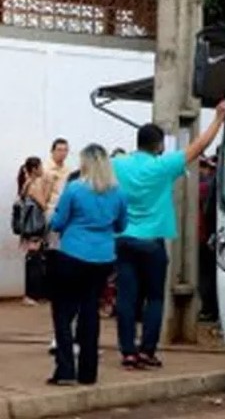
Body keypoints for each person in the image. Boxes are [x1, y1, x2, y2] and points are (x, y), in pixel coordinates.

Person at [112, 103, 225, 370]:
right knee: (154, 297)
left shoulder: (118, 164)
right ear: (159, 145)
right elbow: (198, 147)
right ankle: (147, 351)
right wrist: (219, 118)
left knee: (126, 298)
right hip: (152, 241)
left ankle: (128, 352)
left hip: (124, 239)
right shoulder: (162, 165)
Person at [47, 144, 127, 386]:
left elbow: (58, 222)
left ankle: (65, 370)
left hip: (72, 254)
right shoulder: (118, 192)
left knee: (63, 312)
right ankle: (88, 372)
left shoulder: (75, 188)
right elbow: (121, 225)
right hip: (103, 257)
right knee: (90, 310)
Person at [16, 157, 48, 306]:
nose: (42, 170)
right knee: (35, 261)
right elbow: (43, 204)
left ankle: (31, 294)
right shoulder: (33, 186)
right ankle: (32, 294)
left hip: (28, 229)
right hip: (35, 229)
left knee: (31, 260)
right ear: (35, 169)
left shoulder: (25, 184)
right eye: (40, 167)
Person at [197, 156, 218, 322]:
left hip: (203, 235)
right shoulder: (212, 185)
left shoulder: (202, 187)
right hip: (209, 235)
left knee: (205, 275)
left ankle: (208, 309)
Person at [42, 139, 71, 219]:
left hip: (65, 210)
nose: (63, 153)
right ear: (52, 151)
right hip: (49, 210)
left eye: (65, 150)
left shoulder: (68, 170)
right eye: (59, 150)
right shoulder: (44, 169)